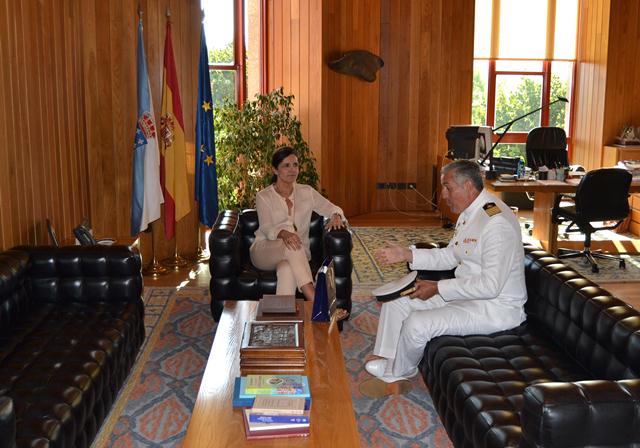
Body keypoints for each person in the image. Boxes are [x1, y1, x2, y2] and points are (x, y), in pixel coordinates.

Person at [365, 159, 527, 383]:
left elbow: (491, 286)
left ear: (468, 186)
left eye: (447, 187)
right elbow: (451, 255)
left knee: (417, 323)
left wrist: (438, 287)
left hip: (494, 308)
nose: (443, 195)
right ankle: (389, 356)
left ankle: (400, 370)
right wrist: (407, 254)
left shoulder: (496, 222)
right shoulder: (470, 213)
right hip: (465, 295)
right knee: (397, 302)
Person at [250, 146, 347, 316]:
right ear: (275, 169)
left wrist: (336, 215)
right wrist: (284, 234)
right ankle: (318, 301)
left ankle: (282, 321)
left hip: (294, 254)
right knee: (291, 243)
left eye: (295, 164)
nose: (292, 169)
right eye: (286, 165)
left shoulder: (307, 192)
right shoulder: (264, 196)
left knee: (287, 270)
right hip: (265, 250)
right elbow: (266, 228)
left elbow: (332, 208)